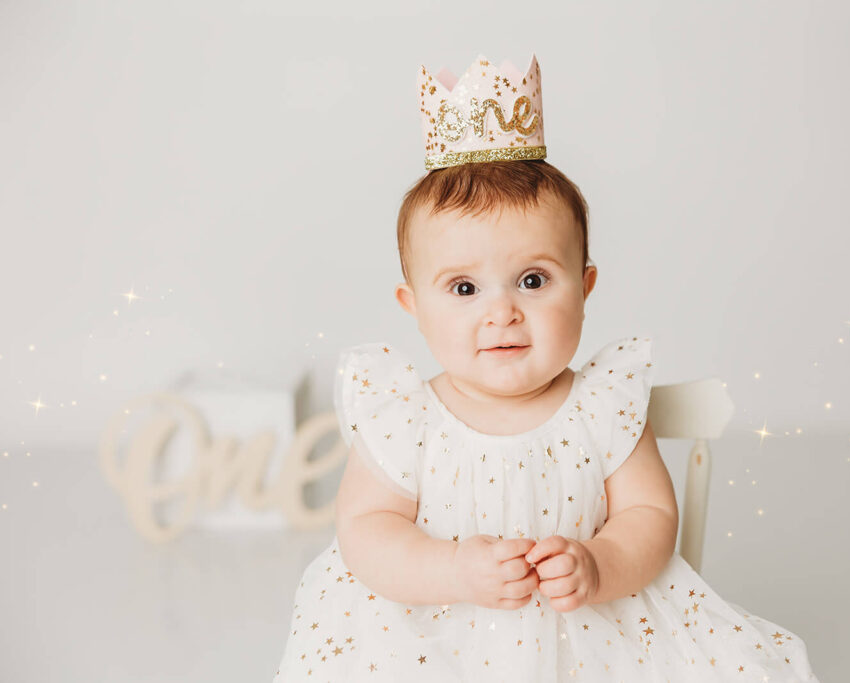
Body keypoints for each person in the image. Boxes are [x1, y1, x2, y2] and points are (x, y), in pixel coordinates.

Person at [274, 54, 820, 682]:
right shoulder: (405, 417)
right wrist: (451, 570)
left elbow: (650, 518)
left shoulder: (602, 405)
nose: (502, 312)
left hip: (591, 631)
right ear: (414, 306)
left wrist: (599, 564)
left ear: (585, 288)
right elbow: (365, 534)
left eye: (532, 280)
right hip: (433, 636)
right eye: (463, 289)